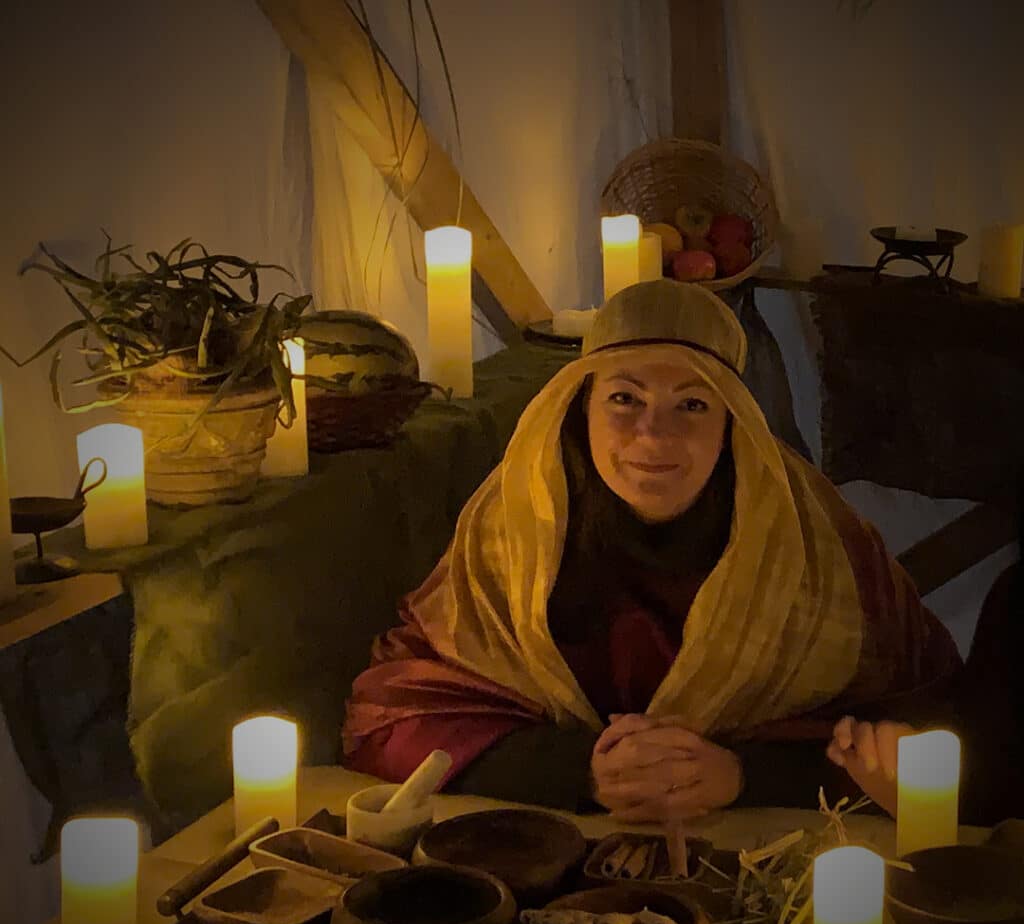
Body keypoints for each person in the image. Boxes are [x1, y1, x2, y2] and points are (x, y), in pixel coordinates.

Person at [342, 279, 962, 823]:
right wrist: (583, 770)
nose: (653, 434)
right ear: (580, 408)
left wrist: (739, 775)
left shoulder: (821, 547)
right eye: (625, 399)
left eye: (692, 404)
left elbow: (926, 738)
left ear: (733, 422)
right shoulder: (511, 533)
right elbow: (390, 717)